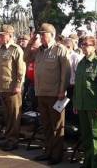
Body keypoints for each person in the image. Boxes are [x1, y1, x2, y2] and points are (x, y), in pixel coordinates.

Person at [24, 23, 70, 165]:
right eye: (40, 34)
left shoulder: (60, 49)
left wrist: (62, 90)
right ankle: (48, 151)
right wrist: (31, 42)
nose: (41, 37)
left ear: (52, 35)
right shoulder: (39, 50)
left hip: (55, 94)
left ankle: (56, 155)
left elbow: (66, 72)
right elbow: (26, 58)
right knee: (46, 125)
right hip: (41, 93)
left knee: (57, 126)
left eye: (44, 34)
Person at [73, 36, 97, 168]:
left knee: (96, 138)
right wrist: (76, 104)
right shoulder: (81, 63)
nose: (84, 47)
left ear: (94, 47)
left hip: (95, 106)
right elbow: (78, 86)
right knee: (86, 137)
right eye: (82, 44)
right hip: (82, 105)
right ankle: (87, 163)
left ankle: (96, 165)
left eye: (87, 44)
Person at [0, 24, 25, 151]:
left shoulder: (16, 49)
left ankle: (13, 140)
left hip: (12, 87)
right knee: (8, 115)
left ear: (9, 36)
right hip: (2, 86)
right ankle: (8, 138)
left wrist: (18, 85)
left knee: (14, 115)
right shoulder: (0, 49)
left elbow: (21, 70)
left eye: (2, 34)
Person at [62, 37, 83, 124]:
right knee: (64, 110)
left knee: (73, 111)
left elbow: (79, 75)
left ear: (68, 47)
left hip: (73, 87)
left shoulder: (76, 57)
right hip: (63, 87)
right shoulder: (62, 57)